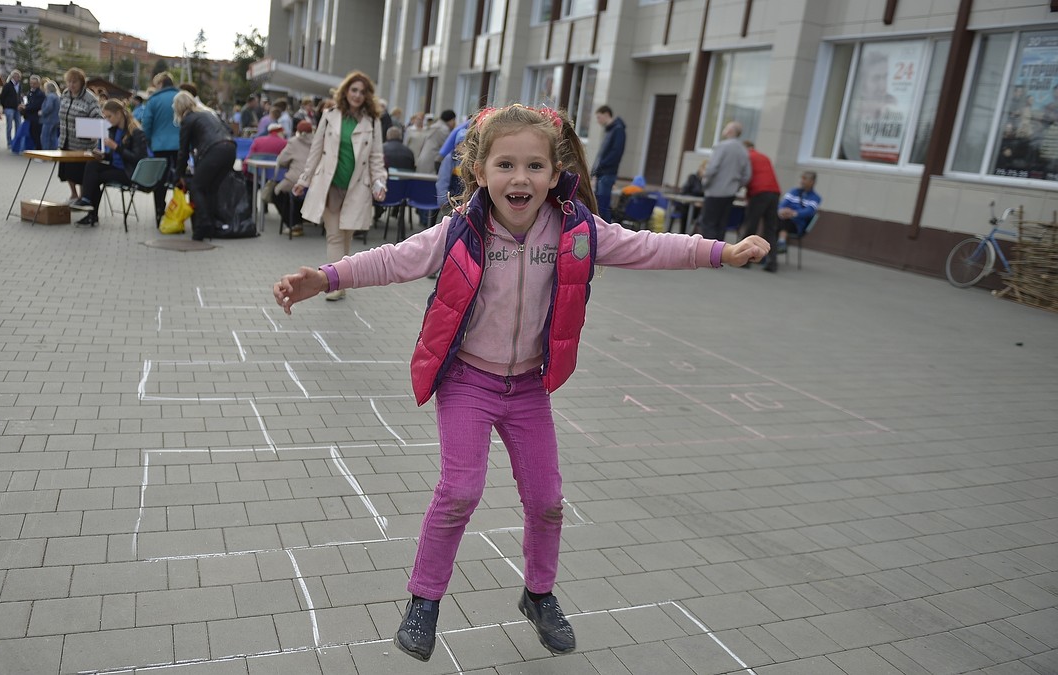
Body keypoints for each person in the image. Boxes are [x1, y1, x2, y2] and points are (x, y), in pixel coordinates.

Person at [271, 103, 769, 663]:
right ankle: (424, 601)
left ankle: (538, 594)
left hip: (527, 389)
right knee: (459, 491)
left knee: (548, 502)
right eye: (505, 164)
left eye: (534, 166)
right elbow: (395, 259)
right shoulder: (460, 230)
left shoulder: (576, 230)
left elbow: (648, 246)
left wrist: (720, 252)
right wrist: (327, 276)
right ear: (480, 172)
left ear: (554, 176)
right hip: (467, 382)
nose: (520, 178)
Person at [292, 70, 389, 300]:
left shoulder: (372, 122)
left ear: (367, 96)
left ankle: (340, 280)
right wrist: (303, 180)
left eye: (362, 92)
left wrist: (379, 183)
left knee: (346, 236)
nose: (357, 95)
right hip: (330, 186)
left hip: (357, 188)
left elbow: (376, 156)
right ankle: (333, 285)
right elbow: (316, 151)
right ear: (345, 91)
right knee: (334, 236)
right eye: (353, 90)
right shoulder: (329, 115)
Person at [69, 99, 150, 226]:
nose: (107, 120)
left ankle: (89, 208)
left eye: (109, 116)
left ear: (119, 114)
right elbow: (114, 156)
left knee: (96, 177)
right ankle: (87, 203)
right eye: (105, 117)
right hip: (117, 168)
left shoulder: (136, 132)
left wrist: (116, 147)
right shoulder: (113, 130)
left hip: (130, 172)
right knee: (92, 164)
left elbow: (138, 158)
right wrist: (104, 155)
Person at [173, 90, 238, 241]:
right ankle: (211, 225)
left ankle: (203, 225)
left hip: (214, 150)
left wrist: (178, 175)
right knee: (211, 189)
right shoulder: (209, 114)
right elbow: (228, 130)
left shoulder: (188, 119)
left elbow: (182, 152)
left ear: (178, 108)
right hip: (230, 149)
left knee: (196, 187)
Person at [57, 67, 102, 204]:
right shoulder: (65, 94)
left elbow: (98, 118)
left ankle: (84, 197)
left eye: (74, 82)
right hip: (66, 139)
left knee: (80, 173)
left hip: (82, 144)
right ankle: (74, 195)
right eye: (69, 82)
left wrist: (93, 132)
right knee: (67, 171)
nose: (71, 85)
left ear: (81, 83)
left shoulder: (90, 99)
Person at [700, 120, 750, 240]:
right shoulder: (743, 150)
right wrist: (736, 186)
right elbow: (747, 175)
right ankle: (718, 255)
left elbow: (712, 169)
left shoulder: (721, 146)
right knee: (721, 226)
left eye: (726, 127)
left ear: (731, 131)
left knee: (708, 225)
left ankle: (707, 256)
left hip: (714, 192)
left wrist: (704, 181)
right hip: (730, 193)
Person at [141, 72, 179, 227]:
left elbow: (146, 124)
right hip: (180, 146)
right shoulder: (181, 96)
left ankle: (159, 212)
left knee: (160, 180)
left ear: (160, 84)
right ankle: (178, 211)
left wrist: (150, 142)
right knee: (179, 179)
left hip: (159, 146)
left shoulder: (154, 100)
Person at [768, 171, 822, 273]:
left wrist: (794, 213)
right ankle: (780, 243)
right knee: (775, 221)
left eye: (805, 179)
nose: (802, 181)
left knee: (780, 223)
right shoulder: (794, 191)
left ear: (812, 182)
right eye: (802, 178)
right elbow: (782, 204)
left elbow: (809, 212)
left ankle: (774, 247)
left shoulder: (815, 197)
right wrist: (782, 211)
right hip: (784, 219)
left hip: (797, 224)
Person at [740, 140, 780, 268]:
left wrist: (747, 195)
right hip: (774, 192)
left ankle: (744, 260)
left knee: (751, 225)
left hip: (759, 193)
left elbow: (747, 176)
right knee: (770, 228)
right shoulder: (764, 157)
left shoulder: (746, 156)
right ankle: (772, 262)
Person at [275, 120, 315, 236]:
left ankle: (294, 223)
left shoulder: (293, 142)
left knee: (278, 192)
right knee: (299, 195)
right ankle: (302, 218)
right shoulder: (318, 142)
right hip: (315, 182)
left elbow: (281, 160)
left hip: (297, 180)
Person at [591, 105, 626, 218]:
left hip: (607, 173)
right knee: (599, 205)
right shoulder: (610, 131)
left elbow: (616, 153)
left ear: (606, 114)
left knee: (603, 206)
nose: (598, 121)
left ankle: (606, 232)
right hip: (602, 173)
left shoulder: (618, 130)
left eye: (599, 117)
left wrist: (601, 166)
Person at [19, 74, 43, 150]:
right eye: (31, 83)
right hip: (29, 117)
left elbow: (36, 105)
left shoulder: (40, 94)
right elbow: (29, 103)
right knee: (32, 134)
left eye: (34, 83)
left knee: (36, 135)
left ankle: (39, 150)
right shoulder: (30, 92)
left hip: (36, 118)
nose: (32, 85)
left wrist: (25, 107)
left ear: (38, 84)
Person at [0, 70, 23, 145]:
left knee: (18, 125)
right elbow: (2, 96)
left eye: (19, 77)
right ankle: (9, 142)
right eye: (16, 77)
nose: (18, 78)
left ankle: (16, 141)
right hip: (9, 108)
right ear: (13, 77)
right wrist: (4, 106)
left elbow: (19, 96)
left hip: (17, 108)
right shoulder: (7, 85)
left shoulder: (19, 86)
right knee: (9, 126)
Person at [39, 80, 60, 150]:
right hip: (55, 120)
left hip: (48, 120)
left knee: (45, 137)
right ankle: (53, 152)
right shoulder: (57, 96)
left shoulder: (50, 96)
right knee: (53, 137)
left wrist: (42, 112)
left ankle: (45, 154)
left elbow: (49, 107)